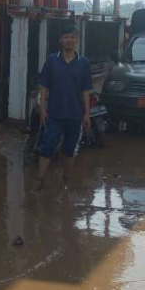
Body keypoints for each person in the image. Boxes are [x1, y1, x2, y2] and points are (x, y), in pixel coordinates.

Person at [35, 25, 92, 191]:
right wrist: (42, 108)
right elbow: (43, 86)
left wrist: (87, 113)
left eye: (72, 37)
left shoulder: (83, 63)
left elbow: (85, 90)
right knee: (47, 148)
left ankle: (65, 181)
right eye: (66, 37)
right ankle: (40, 182)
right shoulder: (52, 60)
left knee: (69, 150)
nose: (69, 40)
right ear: (61, 40)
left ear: (77, 40)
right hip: (54, 113)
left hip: (75, 114)